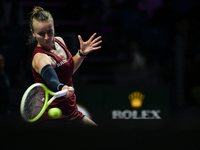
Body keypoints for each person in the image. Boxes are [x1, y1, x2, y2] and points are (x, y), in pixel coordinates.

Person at [29, 6, 102, 127]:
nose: (47, 37)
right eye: (41, 34)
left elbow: (67, 70)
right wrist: (61, 87)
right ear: (33, 33)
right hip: (51, 117)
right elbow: (51, 79)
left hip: (70, 111)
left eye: (49, 31)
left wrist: (81, 54)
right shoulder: (41, 58)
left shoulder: (59, 41)